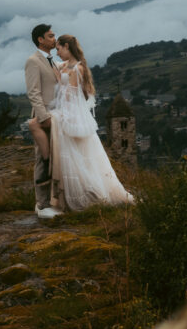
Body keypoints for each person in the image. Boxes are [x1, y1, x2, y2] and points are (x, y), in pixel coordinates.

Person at [45, 34, 134, 212]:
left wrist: (58, 112)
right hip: (67, 111)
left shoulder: (78, 69)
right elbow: (58, 77)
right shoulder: (66, 66)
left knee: (79, 156)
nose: (58, 53)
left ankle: (88, 194)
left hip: (72, 114)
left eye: (59, 49)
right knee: (77, 155)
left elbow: (69, 95)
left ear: (67, 47)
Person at [25, 24, 61, 218]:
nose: (54, 39)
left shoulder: (52, 61)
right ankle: (41, 204)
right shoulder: (33, 61)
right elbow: (33, 92)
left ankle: (50, 201)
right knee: (42, 158)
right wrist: (43, 117)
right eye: (51, 36)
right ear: (40, 39)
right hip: (43, 118)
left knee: (54, 158)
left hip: (56, 117)